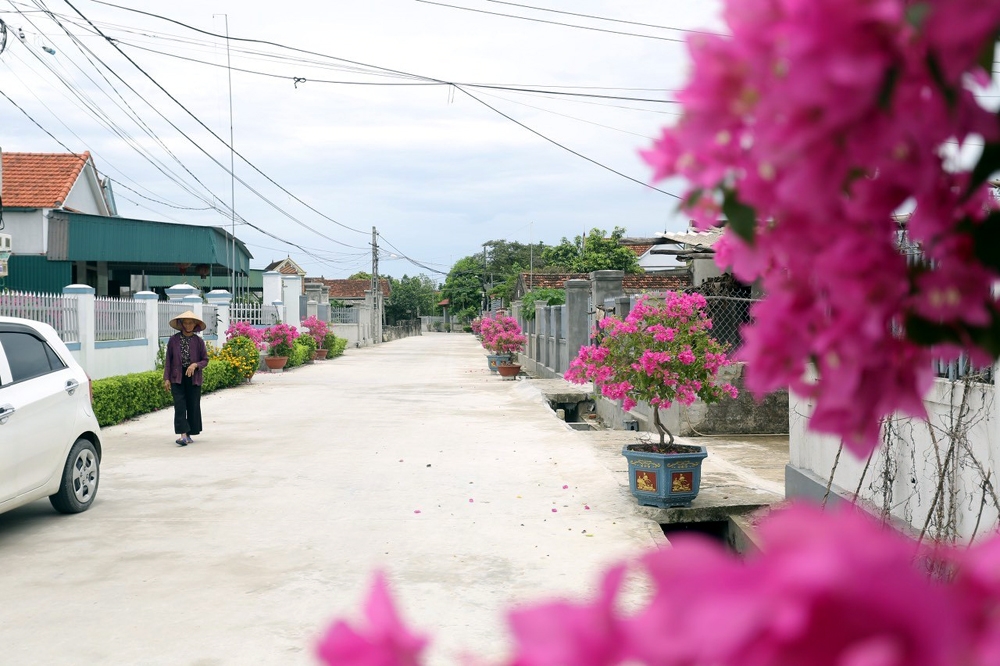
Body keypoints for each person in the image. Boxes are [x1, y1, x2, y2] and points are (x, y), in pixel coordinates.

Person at [163, 310, 209, 446]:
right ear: (181, 324)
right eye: (186, 323)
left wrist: (195, 365)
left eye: (191, 323)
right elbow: (168, 361)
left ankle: (189, 433)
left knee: (192, 405)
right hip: (177, 377)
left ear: (195, 325)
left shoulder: (199, 341)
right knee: (180, 405)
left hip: (193, 377)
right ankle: (182, 434)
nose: (188, 326)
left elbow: (205, 360)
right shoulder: (173, 340)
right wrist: (166, 378)